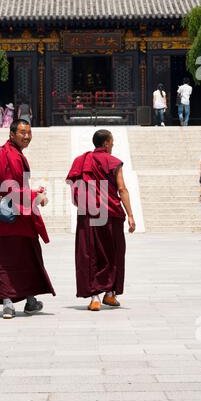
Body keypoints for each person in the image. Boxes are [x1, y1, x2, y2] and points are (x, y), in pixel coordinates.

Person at [0, 119, 55, 319]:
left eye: (29, 133)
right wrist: (37, 197)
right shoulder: (11, 156)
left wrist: (31, 191)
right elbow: (12, 189)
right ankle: (12, 304)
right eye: (22, 132)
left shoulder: (0, 152)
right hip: (15, 219)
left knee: (3, 261)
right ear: (11, 134)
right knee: (25, 259)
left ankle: (20, 302)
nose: (27, 136)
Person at [66, 129, 136, 311]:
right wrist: (130, 215)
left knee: (90, 252)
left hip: (89, 213)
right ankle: (110, 294)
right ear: (106, 143)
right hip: (111, 214)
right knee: (113, 252)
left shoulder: (81, 161)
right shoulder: (113, 162)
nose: (113, 145)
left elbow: (74, 185)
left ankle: (95, 297)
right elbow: (122, 189)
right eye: (112, 142)